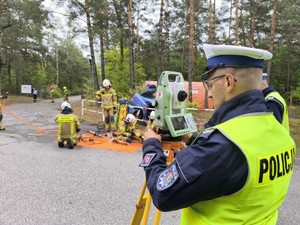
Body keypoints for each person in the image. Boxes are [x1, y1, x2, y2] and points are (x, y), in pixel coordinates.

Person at [141, 44, 296, 224]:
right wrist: (193, 139)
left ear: (228, 82)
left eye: (210, 84)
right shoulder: (279, 132)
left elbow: (162, 194)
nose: (210, 93)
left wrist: (151, 146)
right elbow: (231, 164)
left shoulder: (221, 149)